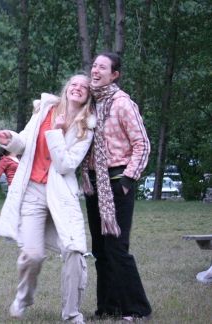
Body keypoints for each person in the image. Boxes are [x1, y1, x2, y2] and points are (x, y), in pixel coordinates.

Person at [0, 74, 96, 323]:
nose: (78, 88)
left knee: (74, 251)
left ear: (88, 96)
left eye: (84, 87)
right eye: (74, 84)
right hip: (33, 192)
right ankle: (24, 297)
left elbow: (66, 165)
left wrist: (58, 133)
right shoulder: (45, 109)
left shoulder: (87, 127)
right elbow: (24, 143)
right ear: (66, 88)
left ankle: (71, 313)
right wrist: (11, 140)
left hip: (62, 195)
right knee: (32, 254)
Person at [81, 52, 152, 321]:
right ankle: (108, 307)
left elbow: (142, 144)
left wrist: (128, 179)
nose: (95, 70)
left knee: (116, 248)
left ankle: (137, 308)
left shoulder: (122, 104)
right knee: (100, 249)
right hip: (93, 183)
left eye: (102, 67)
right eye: (94, 65)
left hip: (116, 182)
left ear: (114, 74)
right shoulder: (89, 103)